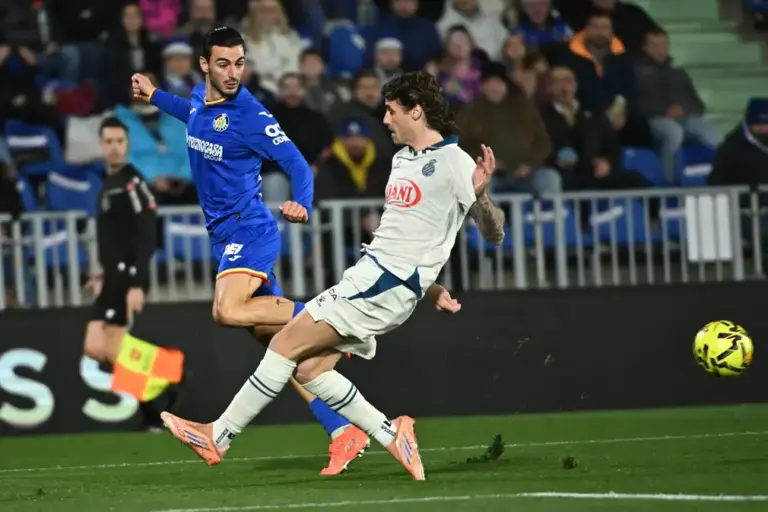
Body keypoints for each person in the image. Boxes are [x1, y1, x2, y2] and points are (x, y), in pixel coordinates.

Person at [158, 71, 506, 480]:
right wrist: (432, 289)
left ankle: (219, 435)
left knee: (285, 344)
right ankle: (392, 434)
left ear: (417, 111)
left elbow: (494, 232)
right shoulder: (400, 160)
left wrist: (482, 196)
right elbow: (411, 238)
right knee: (309, 371)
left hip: (382, 286)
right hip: (377, 279)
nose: (386, 120)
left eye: (392, 112)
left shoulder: (454, 161)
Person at [130, 26, 369, 475]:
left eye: (239, 63)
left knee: (226, 310)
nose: (233, 72)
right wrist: (155, 94)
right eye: (223, 63)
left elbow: (297, 161)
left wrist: (303, 201)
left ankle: (335, 323)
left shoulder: (250, 114)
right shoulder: (203, 102)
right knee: (288, 351)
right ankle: (343, 431)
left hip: (251, 229)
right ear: (205, 65)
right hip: (224, 236)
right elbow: (193, 113)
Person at [83, 117, 183, 431]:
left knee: (112, 347)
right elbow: (115, 238)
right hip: (112, 275)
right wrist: (101, 272)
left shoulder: (132, 182)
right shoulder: (108, 184)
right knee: (95, 348)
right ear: (101, 146)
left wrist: (136, 283)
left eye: (119, 142)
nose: (114, 147)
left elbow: (144, 235)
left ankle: (158, 395)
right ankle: (162, 379)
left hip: (127, 277)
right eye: (108, 142)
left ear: (127, 145)